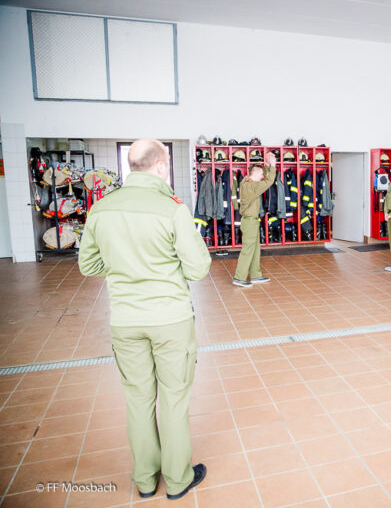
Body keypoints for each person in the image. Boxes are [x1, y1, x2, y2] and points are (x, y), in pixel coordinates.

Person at [78, 139, 211, 500]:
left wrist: (124, 266)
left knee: (138, 399)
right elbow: (198, 268)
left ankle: (146, 480)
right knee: (173, 399)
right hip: (170, 320)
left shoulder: (102, 208)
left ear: (130, 166)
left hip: (125, 321)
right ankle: (179, 479)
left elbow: (88, 265)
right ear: (161, 166)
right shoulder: (172, 209)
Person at [233, 152, 277, 287]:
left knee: (255, 248)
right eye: (261, 174)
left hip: (252, 221)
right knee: (248, 249)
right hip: (250, 221)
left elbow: (264, 179)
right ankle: (239, 277)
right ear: (256, 174)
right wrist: (273, 166)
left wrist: (267, 166)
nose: (263, 177)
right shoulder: (252, 186)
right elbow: (269, 181)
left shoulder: (245, 181)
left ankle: (255, 275)